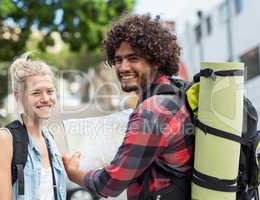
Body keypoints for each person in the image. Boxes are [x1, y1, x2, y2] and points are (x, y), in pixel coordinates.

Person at [62, 14, 194, 200]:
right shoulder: (176, 94)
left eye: (133, 58)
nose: (123, 67)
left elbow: (110, 184)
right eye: (117, 60)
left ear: (155, 59)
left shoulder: (152, 111)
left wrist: (75, 173)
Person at [0, 55, 67, 200]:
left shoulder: (49, 139)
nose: (45, 99)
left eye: (50, 91)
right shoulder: (5, 139)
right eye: (36, 93)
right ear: (18, 96)